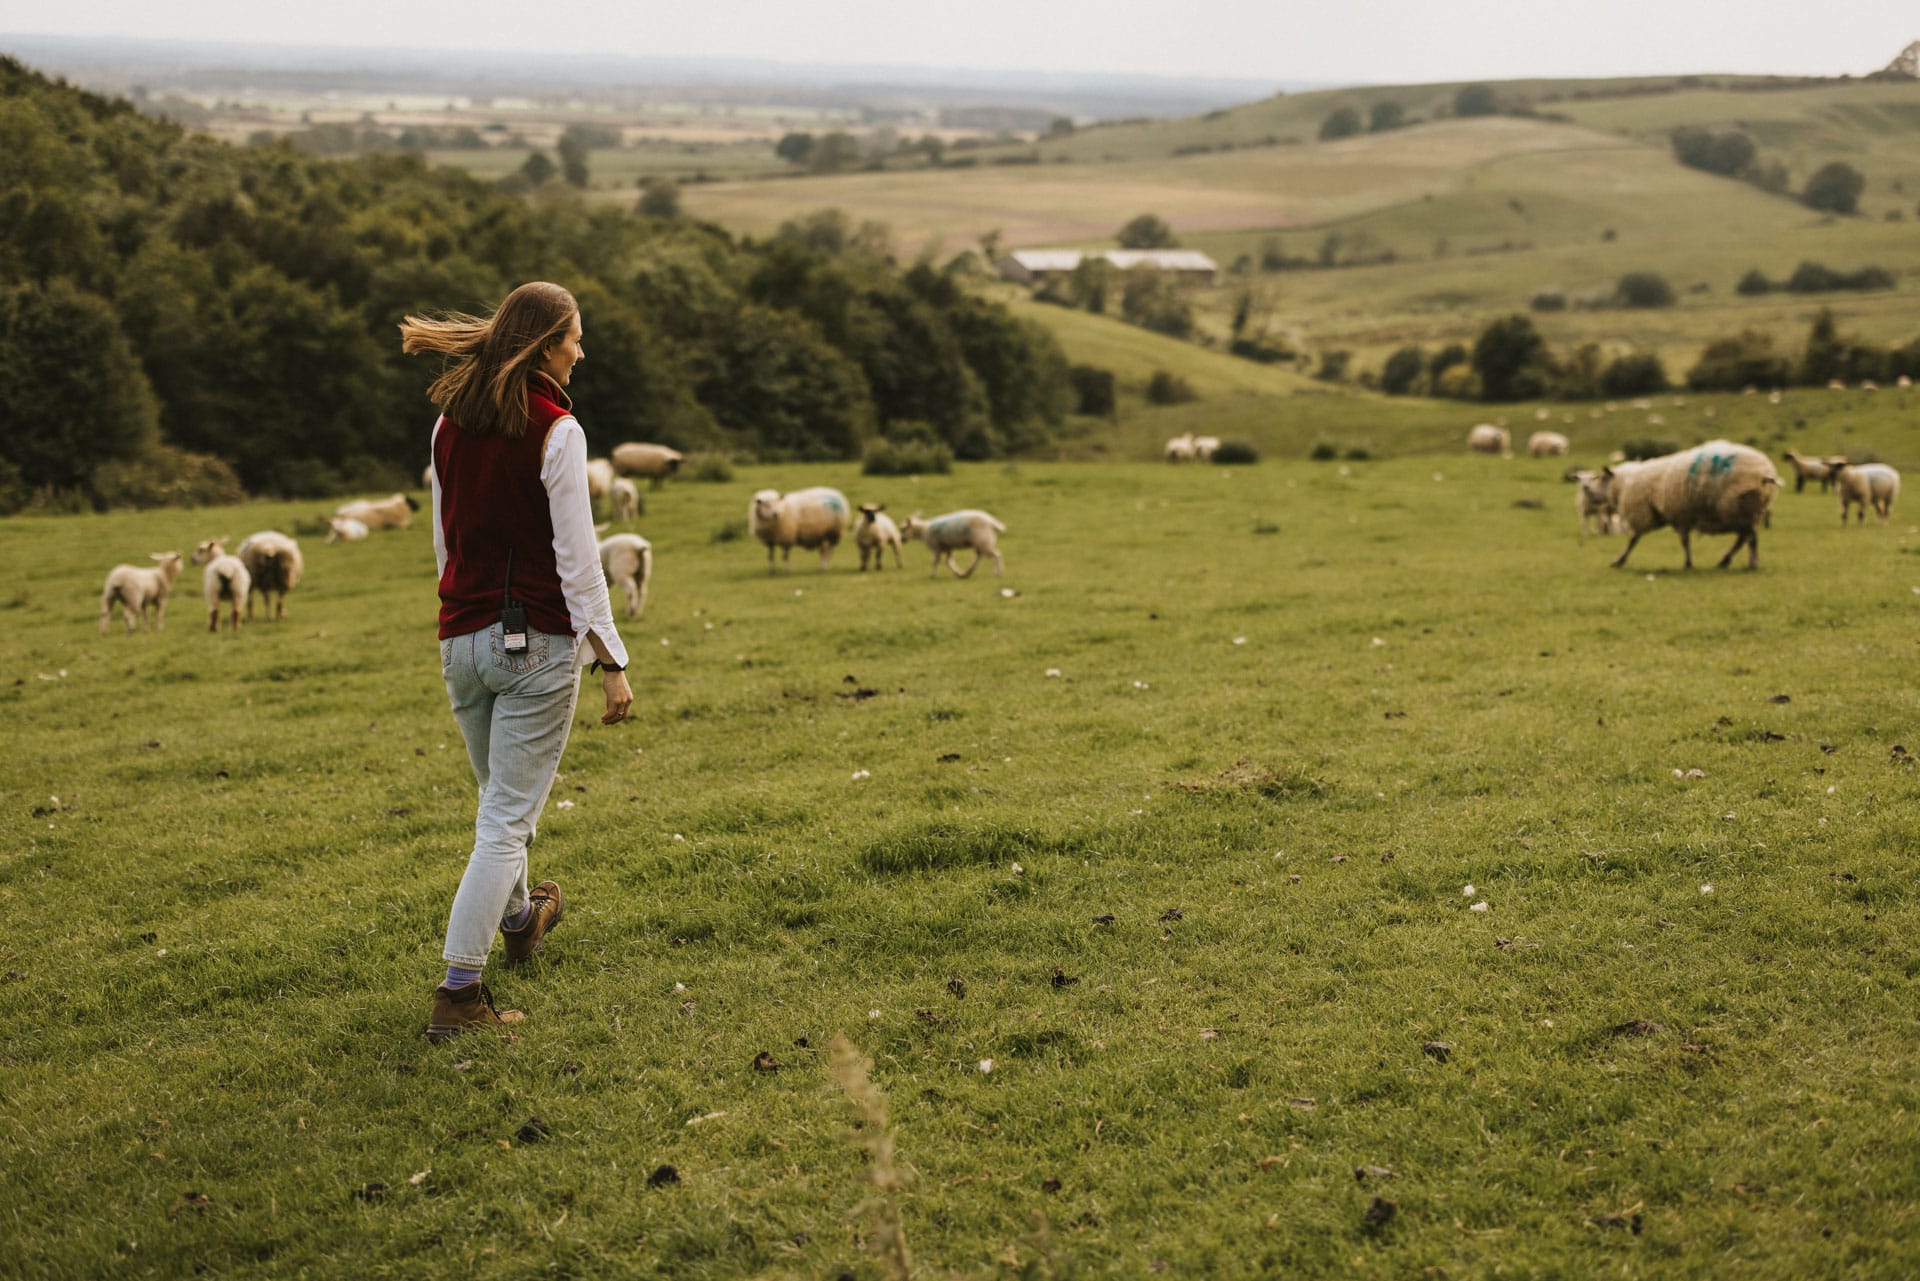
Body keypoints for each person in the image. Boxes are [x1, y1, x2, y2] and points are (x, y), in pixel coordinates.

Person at [399, 281, 633, 1043]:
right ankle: (459, 991)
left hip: (460, 640)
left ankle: (524, 920)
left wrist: (454, 624)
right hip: (537, 643)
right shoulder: (558, 430)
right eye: (574, 337)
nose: (582, 350)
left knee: (497, 804)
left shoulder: (446, 425)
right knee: (505, 819)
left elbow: (444, 541)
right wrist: (612, 658)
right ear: (544, 345)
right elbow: (578, 559)